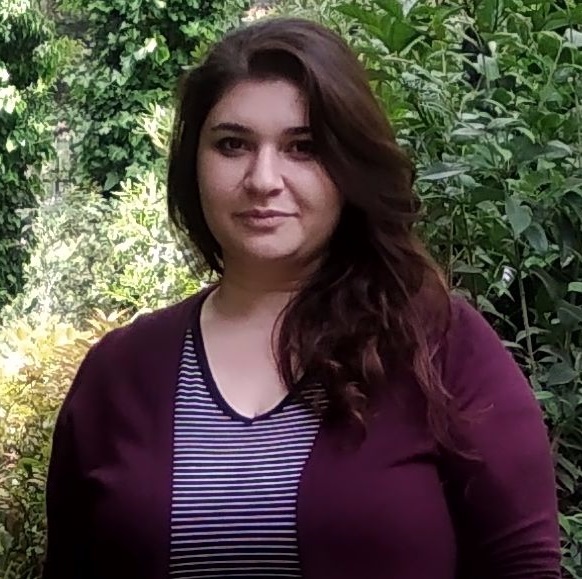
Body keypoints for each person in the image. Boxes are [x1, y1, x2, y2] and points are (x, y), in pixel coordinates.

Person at [42, 16, 561, 579]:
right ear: (194, 162)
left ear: (350, 166)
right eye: (233, 144)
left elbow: (524, 567)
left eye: (303, 147)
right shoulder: (120, 372)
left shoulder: (439, 347)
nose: (263, 179)